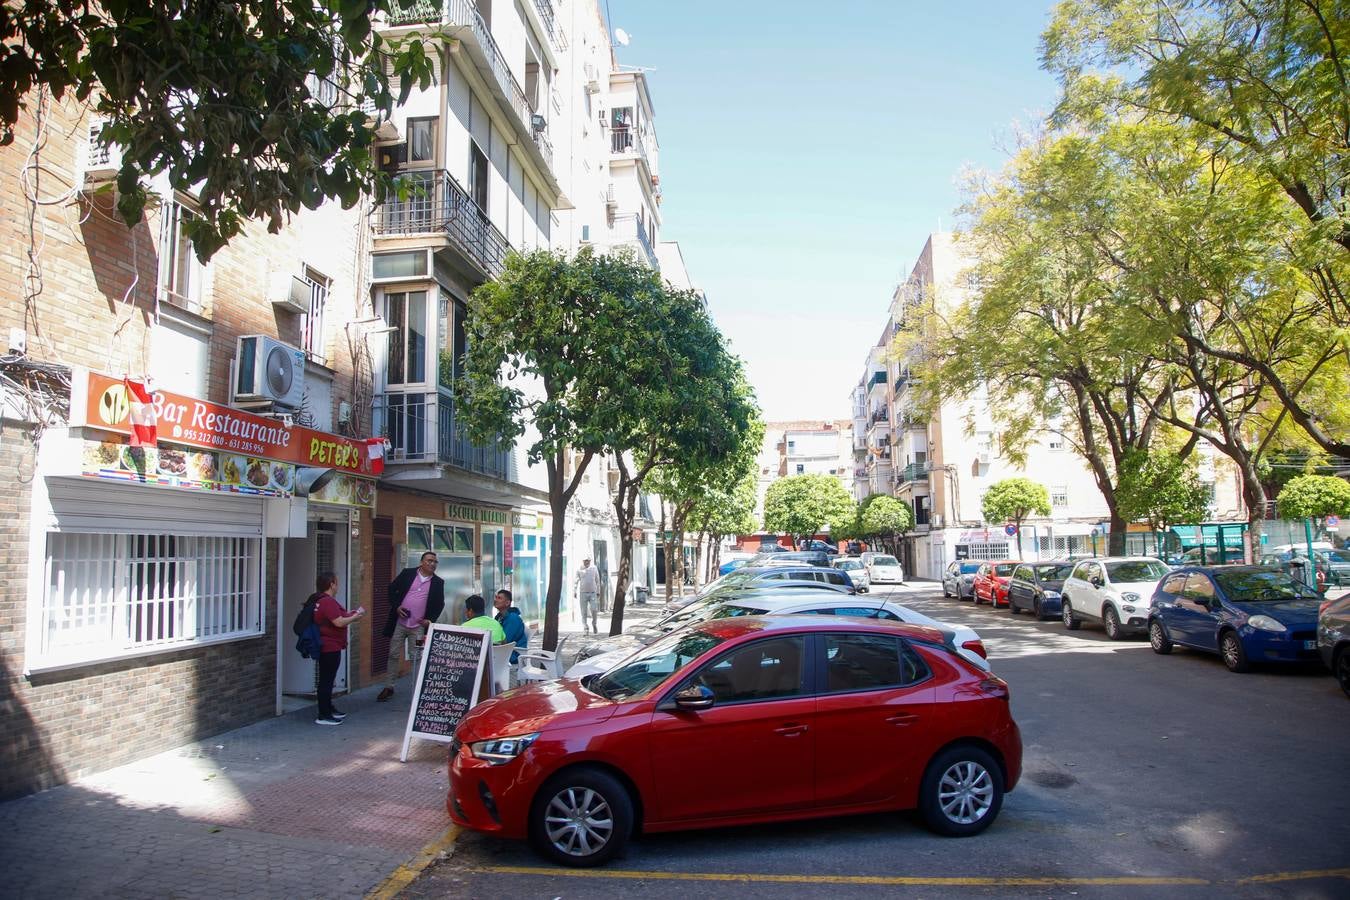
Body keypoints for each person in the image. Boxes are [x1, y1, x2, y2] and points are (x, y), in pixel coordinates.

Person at [377, 551, 445, 702]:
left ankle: (419, 688)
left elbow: (440, 604)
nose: (432, 564)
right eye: (429, 561)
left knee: (418, 656)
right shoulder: (408, 574)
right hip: (400, 624)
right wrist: (397, 606)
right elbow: (391, 589)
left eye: (435, 562)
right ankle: (389, 686)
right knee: (393, 654)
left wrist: (430, 620)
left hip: (418, 627)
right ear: (421, 562)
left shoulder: (438, 582)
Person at [311, 572, 364, 726]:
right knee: (326, 680)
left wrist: (353, 614)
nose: (337, 586)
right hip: (329, 646)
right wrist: (355, 617)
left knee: (328, 679)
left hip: (328, 645)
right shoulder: (327, 602)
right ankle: (324, 714)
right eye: (336, 583)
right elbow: (339, 622)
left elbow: (340, 617)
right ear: (332, 584)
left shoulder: (320, 600)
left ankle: (329, 708)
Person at [494, 589, 528, 664]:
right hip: (504, 652)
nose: (495, 600)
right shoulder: (499, 617)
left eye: (499, 598)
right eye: (496, 597)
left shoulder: (513, 618)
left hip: (513, 655)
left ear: (507, 603)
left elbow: (505, 641)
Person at [574, 558, 600, 634]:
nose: (586, 562)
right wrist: (574, 591)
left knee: (594, 609)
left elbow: (597, 580)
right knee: (583, 612)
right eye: (585, 560)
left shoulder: (594, 568)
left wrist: (598, 591)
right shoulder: (579, 569)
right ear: (583, 561)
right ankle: (585, 628)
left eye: (588, 560)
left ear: (590, 561)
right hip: (583, 593)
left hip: (593, 593)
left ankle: (594, 624)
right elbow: (576, 580)